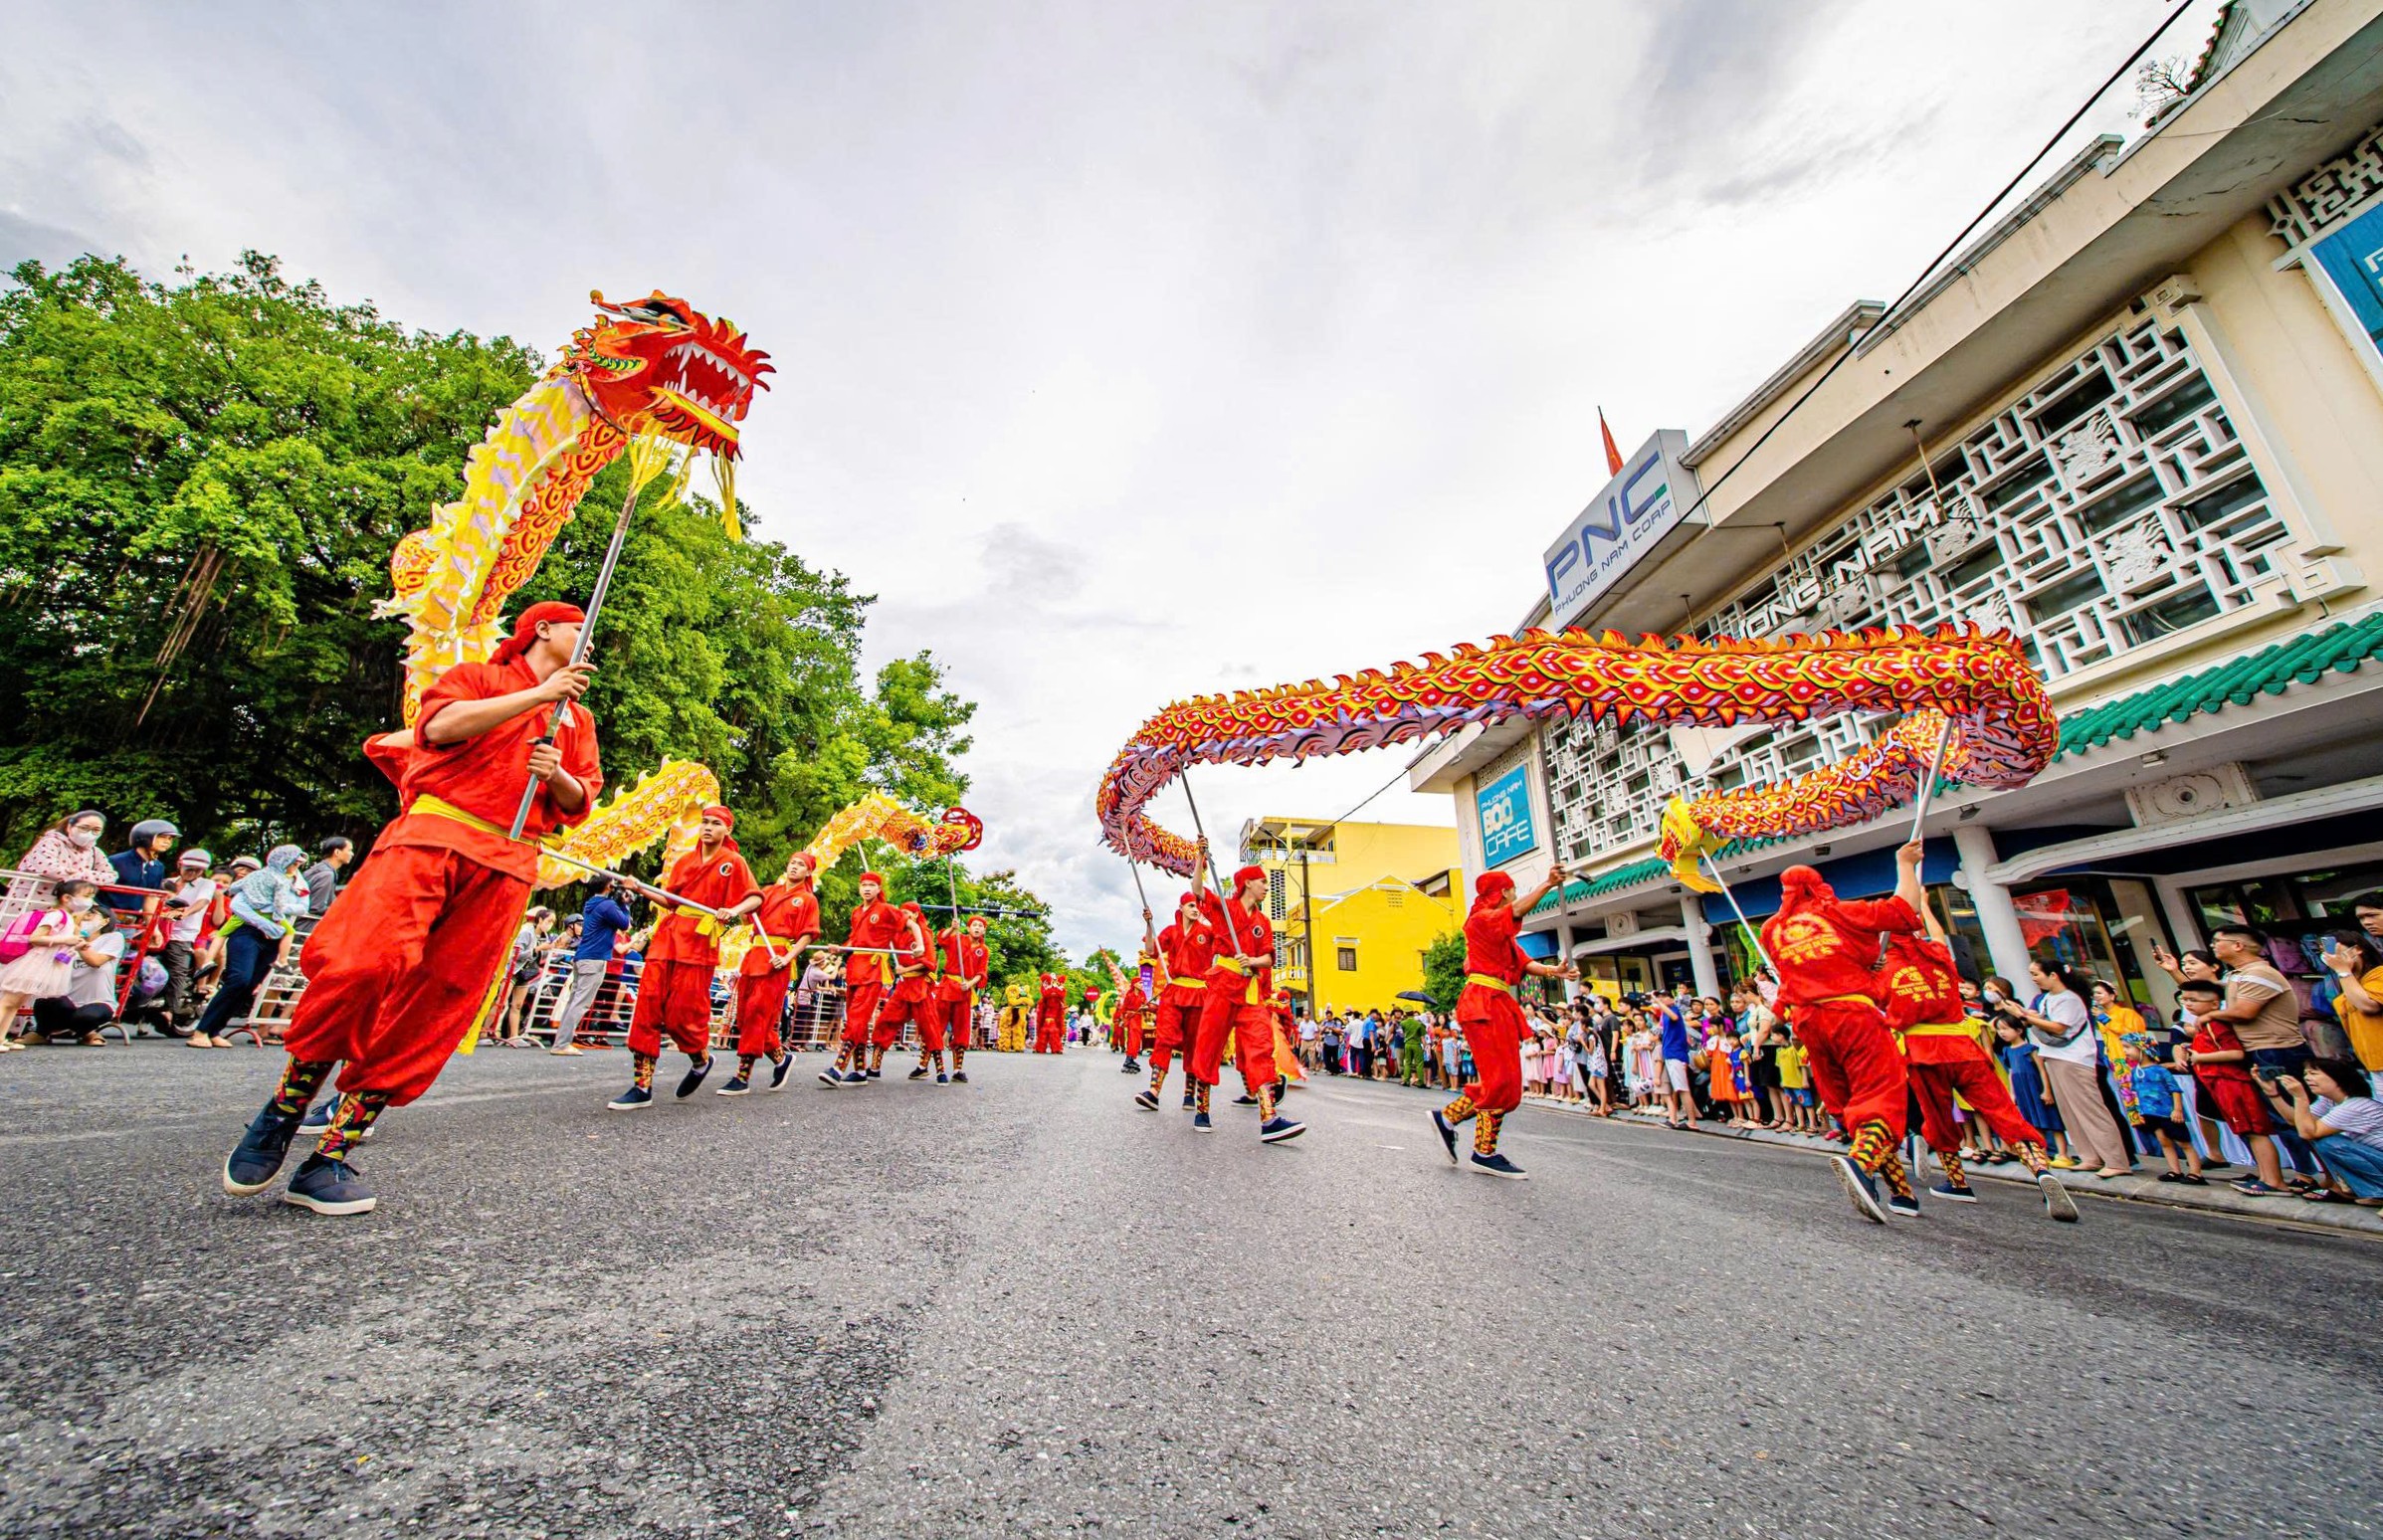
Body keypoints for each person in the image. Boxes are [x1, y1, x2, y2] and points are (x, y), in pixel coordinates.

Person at [218, 600, 601, 1216]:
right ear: (545, 629)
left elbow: (580, 797)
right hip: (431, 837)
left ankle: (332, 1155)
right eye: (582, 628)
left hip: (507, 864)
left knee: (437, 1003)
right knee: (362, 963)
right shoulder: (480, 677)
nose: (590, 642)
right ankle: (285, 1109)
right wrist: (537, 697)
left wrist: (555, 772)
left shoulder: (577, 720)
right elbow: (440, 728)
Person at [1873, 846, 2075, 1218]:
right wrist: (1927, 908)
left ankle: (1958, 1181)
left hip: (1922, 1049)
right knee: (2003, 1112)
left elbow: (1881, 1006)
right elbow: (1937, 941)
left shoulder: (1885, 970)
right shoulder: (1939, 961)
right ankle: (2040, 1169)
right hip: (1963, 1046)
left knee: (1939, 1118)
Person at [1759, 859, 1923, 1223]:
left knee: (1854, 1104)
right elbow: (1905, 911)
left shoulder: (1772, 929)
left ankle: (1901, 1192)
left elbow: (1793, 980)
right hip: (1849, 1014)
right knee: (1881, 1096)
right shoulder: (1842, 913)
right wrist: (1905, 864)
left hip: (1808, 1024)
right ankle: (1862, 1165)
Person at [1428, 866, 1575, 1177]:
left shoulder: (1500, 935)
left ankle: (1450, 1120)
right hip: (1482, 1003)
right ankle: (1483, 1151)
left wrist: (1553, 972)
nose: (1515, 894)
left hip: (1496, 1004)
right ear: (1503, 892)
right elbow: (1516, 910)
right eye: (1512, 889)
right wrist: (1547, 883)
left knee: (1508, 1085)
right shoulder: (1482, 920)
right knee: (1498, 1081)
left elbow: (1523, 961)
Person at [610, 806, 760, 1109]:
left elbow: (755, 898)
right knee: (648, 1004)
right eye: (704, 822)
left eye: (715, 824)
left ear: (726, 830)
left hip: (701, 940)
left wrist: (732, 911)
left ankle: (700, 1057)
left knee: (683, 1013)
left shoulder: (733, 862)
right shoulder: (685, 861)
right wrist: (639, 888)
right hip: (669, 935)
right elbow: (669, 900)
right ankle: (642, 1086)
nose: (707, 828)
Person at [1182, 849, 1304, 1143]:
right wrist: (1200, 858)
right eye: (1262, 882)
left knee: (1261, 1048)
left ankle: (1269, 1117)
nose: (1265, 886)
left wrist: (1253, 961)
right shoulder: (1224, 908)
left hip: (1250, 991)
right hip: (1223, 985)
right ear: (1248, 883)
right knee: (1209, 1045)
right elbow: (1197, 889)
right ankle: (1202, 1109)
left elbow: (1268, 957)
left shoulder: (1262, 921)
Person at [2205, 924, 2319, 1185]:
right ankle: (2303, 1175)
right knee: (2279, 1117)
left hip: (2276, 1050)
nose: (2213, 946)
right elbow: (2203, 992)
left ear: (2238, 945)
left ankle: (2310, 1176)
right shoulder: (2239, 975)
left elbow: (2245, 1012)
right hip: (2261, 1050)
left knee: (2291, 1115)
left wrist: (2210, 1015)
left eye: (2217, 941)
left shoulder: (2259, 973)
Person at [2003, 959, 2131, 1180]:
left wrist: (2023, 1016)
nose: (2033, 978)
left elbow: (2059, 1027)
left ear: (2053, 975)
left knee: (2090, 1110)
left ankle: (2116, 1161)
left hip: (2075, 1060)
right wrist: (2021, 1011)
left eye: (2036, 974)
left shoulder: (2070, 999)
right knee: (2070, 1112)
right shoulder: (2047, 999)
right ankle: (2089, 1157)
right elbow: (2043, 1020)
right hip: (2054, 1057)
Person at [2173, 979, 2291, 1197]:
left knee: (2255, 1132)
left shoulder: (2214, 1024)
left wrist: (2200, 1056)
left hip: (2232, 1083)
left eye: (2194, 1000)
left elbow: (2236, 1053)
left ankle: (2275, 1181)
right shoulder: (2203, 1025)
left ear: (2215, 1004)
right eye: (2185, 1000)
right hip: (2220, 1084)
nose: (2188, 1004)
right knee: (2248, 1132)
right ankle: (2265, 1177)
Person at [188, 845, 309, 1050]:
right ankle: (201, 1030)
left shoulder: (298, 882)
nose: (296, 866)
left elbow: (302, 907)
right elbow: (239, 903)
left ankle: (215, 1030)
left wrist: (274, 909)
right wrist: (267, 916)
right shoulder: (260, 877)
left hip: (274, 936)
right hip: (247, 931)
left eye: (299, 863)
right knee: (239, 979)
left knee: (249, 985)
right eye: (294, 861)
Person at [720, 852, 822, 1095]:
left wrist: (787, 957)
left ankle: (743, 1075)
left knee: (758, 1012)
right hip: (754, 955)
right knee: (745, 1017)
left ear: (808, 872)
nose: (795, 867)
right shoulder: (768, 892)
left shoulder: (807, 899)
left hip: (776, 958)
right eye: (793, 863)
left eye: (801, 865)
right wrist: (735, 907)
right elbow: (748, 918)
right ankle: (780, 1059)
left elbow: (807, 934)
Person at [823, 870, 902, 1085]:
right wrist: (839, 948)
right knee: (855, 1019)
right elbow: (853, 940)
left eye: (871, 885)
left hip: (872, 970)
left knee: (857, 1018)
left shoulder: (886, 910)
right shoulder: (857, 912)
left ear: (879, 889)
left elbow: (907, 923)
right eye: (864, 885)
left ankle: (838, 1067)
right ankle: (859, 1071)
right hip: (854, 969)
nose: (867, 888)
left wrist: (919, 943)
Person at [1, 880, 102, 1047]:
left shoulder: (67, 918)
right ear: (66, 898)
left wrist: (76, 943)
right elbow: (36, 938)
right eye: (86, 896)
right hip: (35, 962)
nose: (89, 901)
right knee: (8, 1001)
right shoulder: (56, 915)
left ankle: (2, 1038)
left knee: (15, 1003)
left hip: (45, 964)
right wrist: (65, 939)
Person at [2275, 1059, 2383, 1205]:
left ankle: (2376, 1191)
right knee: (2321, 1139)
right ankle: (2371, 1192)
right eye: (2306, 1074)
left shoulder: (2356, 1105)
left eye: (2313, 1073)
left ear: (2338, 1077)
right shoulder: (2330, 1101)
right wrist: (2272, 1093)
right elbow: (2296, 1121)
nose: (2307, 1078)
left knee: (2329, 1143)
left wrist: (2300, 1097)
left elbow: (2308, 1132)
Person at [553, 875, 635, 1054]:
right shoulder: (607, 905)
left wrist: (620, 901)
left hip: (583, 956)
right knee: (581, 1002)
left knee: (574, 1001)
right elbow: (625, 925)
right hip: (595, 958)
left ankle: (561, 1041)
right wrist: (626, 905)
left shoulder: (592, 903)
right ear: (608, 885)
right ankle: (562, 1044)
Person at [27, 905, 128, 1046]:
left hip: (99, 1001)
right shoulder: (67, 939)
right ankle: (44, 1032)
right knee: (44, 1002)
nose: (86, 917)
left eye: (91, 914)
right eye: (82, 914)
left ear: (105, 921)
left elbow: (95, 961)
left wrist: (79, 941)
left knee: (86, 1016)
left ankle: (86, 1032)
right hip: (66, 1000)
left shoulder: (113, 938)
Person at [2121, 1033, 2204, 1186]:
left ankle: (2195, 1172)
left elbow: (2175, 1090)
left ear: (2142, 1049)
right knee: (2164, 1141)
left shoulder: (2161, 1071)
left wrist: (2177, 1110)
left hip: (2168, 1113)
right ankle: (2175, 1170)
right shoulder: (2135, 1072)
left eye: (2128, 1048)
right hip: (2150, 1114)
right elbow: (2135, 1093)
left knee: (2184, 1142)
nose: (2125, 1051)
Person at [917, 911, 990, 1084]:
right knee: (936, 1025)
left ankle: (958, 1070)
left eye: (981, 926)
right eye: (975, 925)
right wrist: (952, 928)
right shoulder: (958, 939)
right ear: (968, 927)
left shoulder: (984, 950)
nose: (977, 928)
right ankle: (922, 1066)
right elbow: (941, 939)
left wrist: (970, 983)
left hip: (964, 991)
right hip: (948, 986)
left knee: (962, 1029)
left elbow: (981, 973)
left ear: (984, 931)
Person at [2321, 897, 2383, 1072]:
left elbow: (2368, 1005)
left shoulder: (2377, 974)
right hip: (2373, 1064)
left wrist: (2343, 970)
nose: (2367, 922)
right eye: (2361, 918)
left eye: (2372, 915)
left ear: (2357, 949)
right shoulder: (2348, 983)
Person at [158, 849, 217, 1031]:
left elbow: (202, 902)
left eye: (198, 870)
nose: (193, 873)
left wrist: (185, 913)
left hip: (182, 934)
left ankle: (169, 1010)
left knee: (177, 970)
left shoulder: (206, 884)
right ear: (180, 865)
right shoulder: (167, 882)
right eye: (189, 868)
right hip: (157, 930)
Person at [18, 811, 115, 886]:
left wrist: (79, 874)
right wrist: (88, 877)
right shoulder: (51, 842)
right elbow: (48, 869)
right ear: (69, 827)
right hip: (28, 901)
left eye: (96, 830)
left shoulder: (95, 852)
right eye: (84, 828)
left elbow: (111, 877)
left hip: (66, 906)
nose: (89, 833)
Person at [105, 819, 177, 914]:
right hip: (105, 918)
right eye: (162, 837)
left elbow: (151, 898)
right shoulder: (117, 861)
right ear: (145, 836)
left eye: (170, 839)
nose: (167, 842)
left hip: (131, 923)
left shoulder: (158, 867)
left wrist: (153, 927)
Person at [1111, 953, 1150, 1076]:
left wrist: (1145, 1007)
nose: (1142, 984)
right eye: (1140, 983)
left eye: (1142, 983)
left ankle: (1132, 1058)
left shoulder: (1143, 994)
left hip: (1139, 1017)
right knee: (1133, 1038)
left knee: (1137, 1038)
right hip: (1131, 1018)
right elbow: (1124, 1009)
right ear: (1135, 984)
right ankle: (1129, 1058)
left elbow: (1146, 1005)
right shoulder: (1129, 995)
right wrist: (1123, 1018)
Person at [300, 837, 355, 917]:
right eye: (349, 850)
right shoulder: (327, 875)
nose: (352, 854)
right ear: (337, 852)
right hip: (307, 923)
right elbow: (316, 908)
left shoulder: (320, 869)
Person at [1034, 970, 1068, 1055]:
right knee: (1045, 1030)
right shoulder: (1048, 990)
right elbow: (1045, 994)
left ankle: (1055, 1048)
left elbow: (1061, 995)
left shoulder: (1058, 990)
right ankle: (1041, 1048)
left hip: (1054, 1015)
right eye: (1052, 980)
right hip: (1047, 1014)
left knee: (1052, 1030)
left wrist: (1055, 987)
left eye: (1054, 980)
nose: (1053, 981)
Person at [996, 978, 1030, 1053]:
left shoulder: (1024, 992)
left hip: (1019, 1014)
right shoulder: (1013, 991)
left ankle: (1017, 1046)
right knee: (1007, 1030)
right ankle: (1005, 1045)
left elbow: (1028, 1004)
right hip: (1011, 1013)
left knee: (1018, 1031)